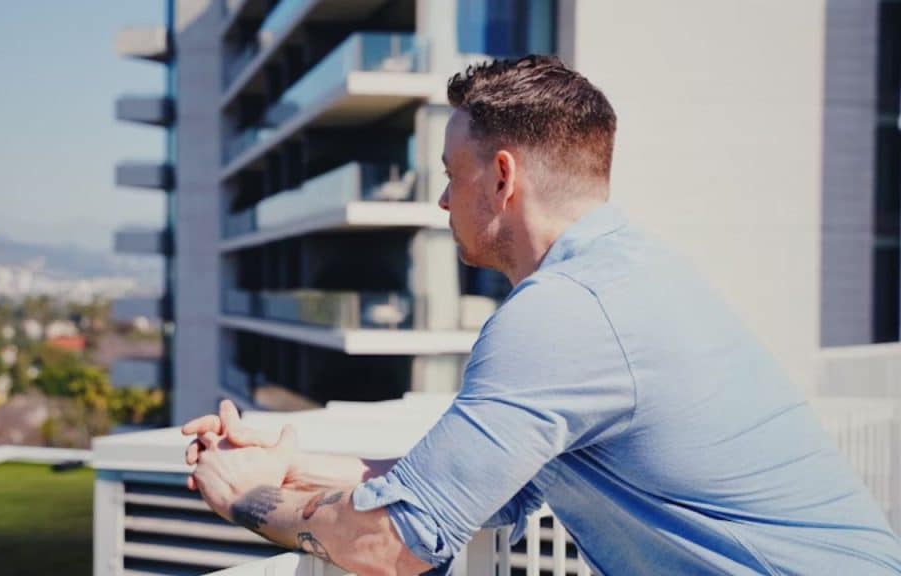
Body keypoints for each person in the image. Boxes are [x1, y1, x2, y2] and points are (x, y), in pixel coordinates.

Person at [182, 55, 901, 575]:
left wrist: (250, 500)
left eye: (449, 174)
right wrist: (289, 461)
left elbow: (389, 542)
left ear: (501, 177)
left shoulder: (566, 314)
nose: (441, 202)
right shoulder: (630, 276)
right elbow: (460, 485)